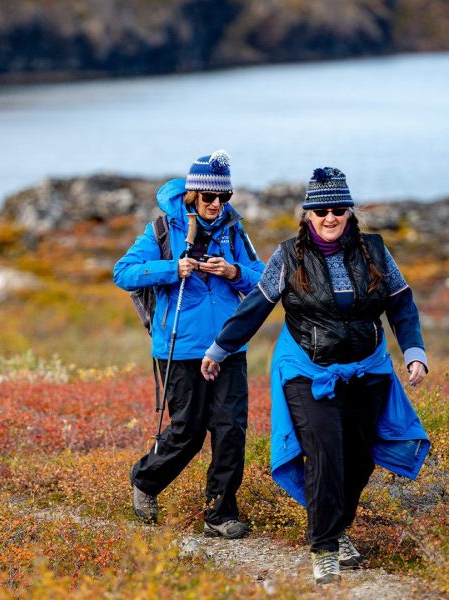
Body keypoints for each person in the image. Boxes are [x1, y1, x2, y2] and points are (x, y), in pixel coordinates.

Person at [201, 167, 430, 582]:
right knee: (324, 451)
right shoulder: (289, 255)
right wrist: (220, 348)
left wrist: (414, 351)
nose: (329, 218)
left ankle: (337, 526)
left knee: (359, 460)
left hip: (367, 370)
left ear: (349, 212)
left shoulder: (375, 251)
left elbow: (401, 303)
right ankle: (324, 546)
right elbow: (255, 307)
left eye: (338, 210)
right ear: (308, 214)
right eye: (321, 210)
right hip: (307, 371)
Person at [114, 150, 265, 538]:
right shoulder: (163, 229)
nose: (217, 205)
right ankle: (146, 481)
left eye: (224, 197)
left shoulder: (234, 230)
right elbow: (123, 273)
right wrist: (172, 268)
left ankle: (220, 514)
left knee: (231, 430)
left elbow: (264, 279)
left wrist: (233, 272)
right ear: (193, 193)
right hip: (179, 348)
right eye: (210, 198)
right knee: (189, 431)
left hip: (228, 346)